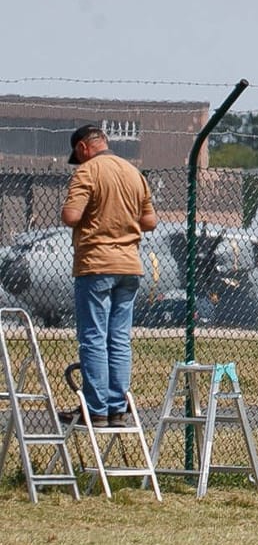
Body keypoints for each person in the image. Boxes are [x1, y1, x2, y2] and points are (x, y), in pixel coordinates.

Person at [61, 124, 157, 428]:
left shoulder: (87, 172)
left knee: (93, 338)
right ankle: (117, 407)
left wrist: (95, 213)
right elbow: (150, 221)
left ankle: (95, 409)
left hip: (96, 264)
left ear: (82, 149)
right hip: (129, 266)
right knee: (119, 339)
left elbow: (71, 216)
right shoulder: (133, 173)